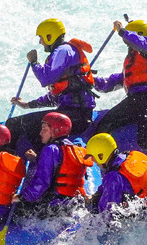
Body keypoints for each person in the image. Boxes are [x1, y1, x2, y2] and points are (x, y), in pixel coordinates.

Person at [7, 18, 96, 151]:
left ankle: (29, 160)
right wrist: (27, 105)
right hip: (75, 114)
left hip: (76, 117)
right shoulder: (64, 52)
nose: (40, 42)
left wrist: (34, 63)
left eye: (41, 38)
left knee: (15, 124)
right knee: (23, 123)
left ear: (50, 36)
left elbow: (45, 79)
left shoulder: (62, 51)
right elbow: (55, 96)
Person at [89, 19, 147, 162]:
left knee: (145, 139)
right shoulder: (133, 61)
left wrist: (123, 32)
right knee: (104, 125)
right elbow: (112, 82)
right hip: (135, 100)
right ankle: (106, 163)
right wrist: (91, 81)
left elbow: (141, 43)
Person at [12, 111, 92, 218]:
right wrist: (37, 159)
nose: (40, 133)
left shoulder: (50, 149)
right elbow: (61, 167)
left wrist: (21, 197)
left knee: (15, 211)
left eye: (44, 129)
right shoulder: (76, 149)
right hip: (74, 204)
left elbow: (42, 183)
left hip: (53, 207)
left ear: (56, 131)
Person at [83, 133, 147, 214]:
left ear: (101, 156)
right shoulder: (130, 155)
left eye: (92, 157)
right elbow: (107, 186)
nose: (92, 160)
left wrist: (91, 206)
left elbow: (106, 213)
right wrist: (94, 197)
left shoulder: (113, 177)